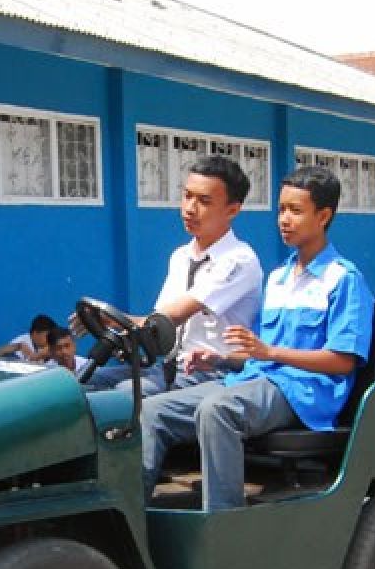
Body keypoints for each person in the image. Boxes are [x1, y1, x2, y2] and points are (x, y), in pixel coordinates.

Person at [141, 165, 374, 510]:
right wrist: (219, 358)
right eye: (281, 209)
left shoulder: (343, 279)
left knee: (217, 410)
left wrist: (270, 352)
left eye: (296, 211)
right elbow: (256, 355)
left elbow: (342, 362)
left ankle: (224, 522)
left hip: (305, 392)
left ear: (323, 216)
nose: (284, 219)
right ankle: (133, 518)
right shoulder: (279, 278)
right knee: (151, 410)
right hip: (258, 378)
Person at [83, 155, 264, 395]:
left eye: (204, 201)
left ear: (232, 210)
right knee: (83, 381)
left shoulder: (239, 260)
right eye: (187, 196)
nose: (190, 208)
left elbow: (167, 320)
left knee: (126, 395)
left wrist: (115, 318)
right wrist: (107, 320)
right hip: (172, 368)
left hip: (214, 373)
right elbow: (157, 323)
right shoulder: (181, 256)